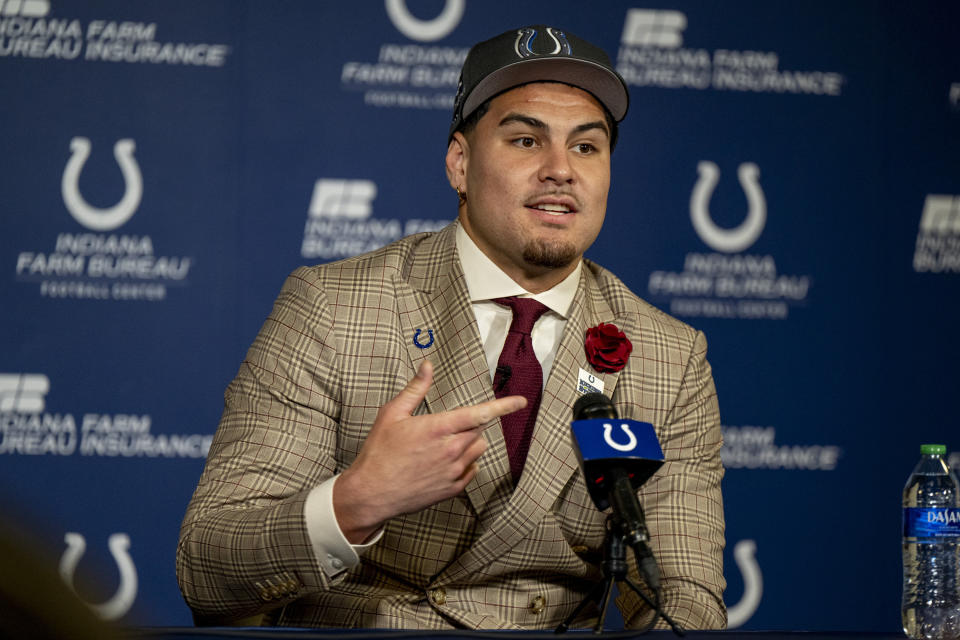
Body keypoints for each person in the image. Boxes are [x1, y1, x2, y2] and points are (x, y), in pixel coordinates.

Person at [177, 24, 726, 630]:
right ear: (459, 164)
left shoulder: (668, 354)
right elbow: (207, 565)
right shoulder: (334, 306)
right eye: (524, 140)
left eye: (586, 148)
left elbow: (684, 591)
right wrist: (353, 504)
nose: (560, 170)